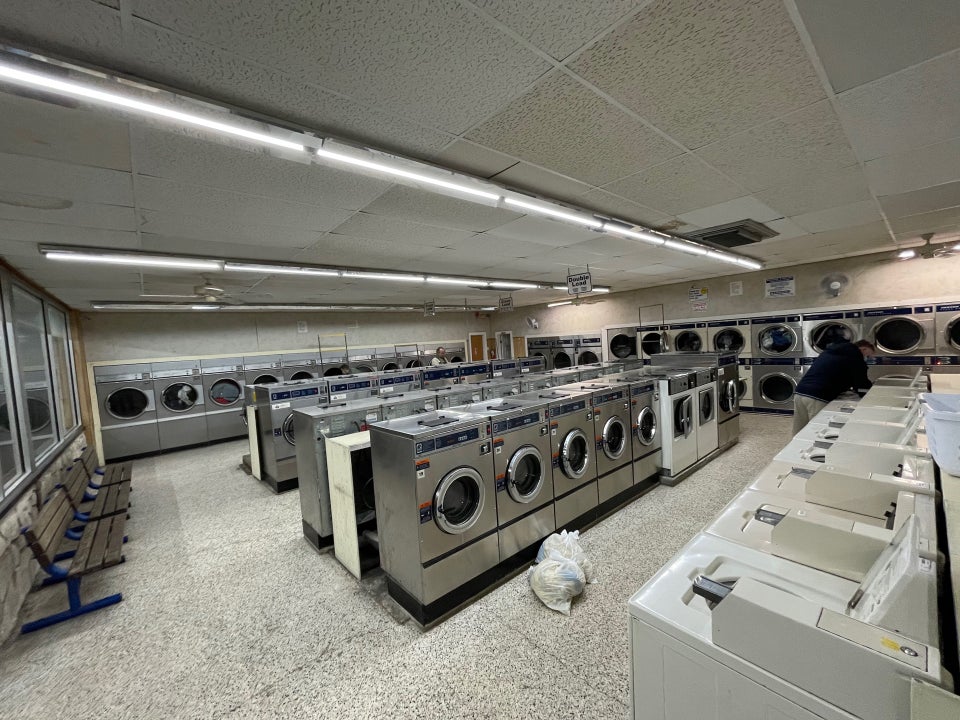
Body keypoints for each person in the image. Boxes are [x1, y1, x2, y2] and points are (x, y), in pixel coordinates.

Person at [792, 339, 875, 434]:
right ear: (863, 349)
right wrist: (869, 396)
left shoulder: (832, 351)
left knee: (799, 427)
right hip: (818, 396)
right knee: (816, 430)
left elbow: (836, 373)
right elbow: (861, 381)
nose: (867, 359)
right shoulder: (855, 355)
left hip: (800, 391)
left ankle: (793, 444)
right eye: (868, 356)